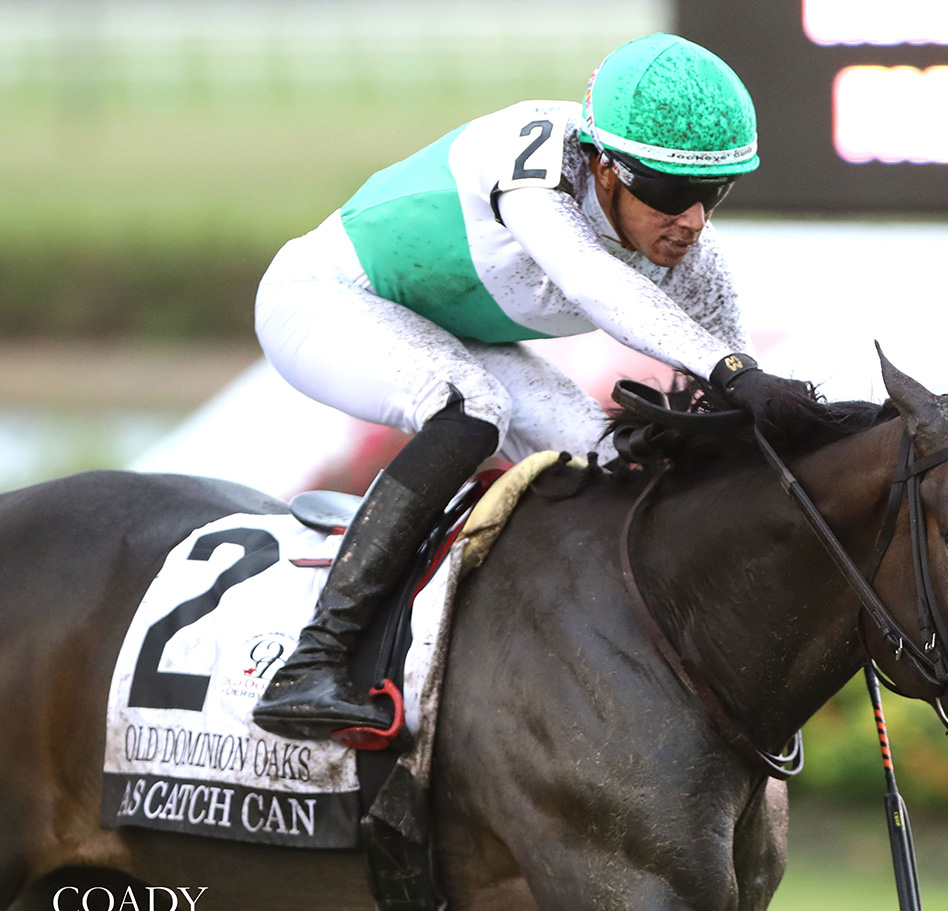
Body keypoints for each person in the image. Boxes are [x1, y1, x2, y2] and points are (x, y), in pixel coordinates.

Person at [251, 32, 782, 741]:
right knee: (474, 411)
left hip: (453, 337)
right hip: (324, 298)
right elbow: (595, 285)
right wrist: (734, 373)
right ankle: (313, 661)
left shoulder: (694, 257)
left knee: (613, 457)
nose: (692, 219)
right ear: (602, 166)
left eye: (713, 192)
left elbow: (744, 394)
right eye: (670, 190)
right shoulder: (534, 164)